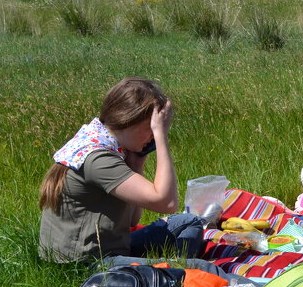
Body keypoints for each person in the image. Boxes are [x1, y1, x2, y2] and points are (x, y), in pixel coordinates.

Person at [38, 77, 200, 263]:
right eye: (150, 128)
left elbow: (131, 220)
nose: (152, 136)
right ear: (129, 121)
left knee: (189, 222)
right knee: (205, 270)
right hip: (88, 263)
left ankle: (175, 270)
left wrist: (137, 164)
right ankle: (179, 271)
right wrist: (161, 137)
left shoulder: (101, 141)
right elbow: (167, 203)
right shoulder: (98, 159)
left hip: (111, 246)